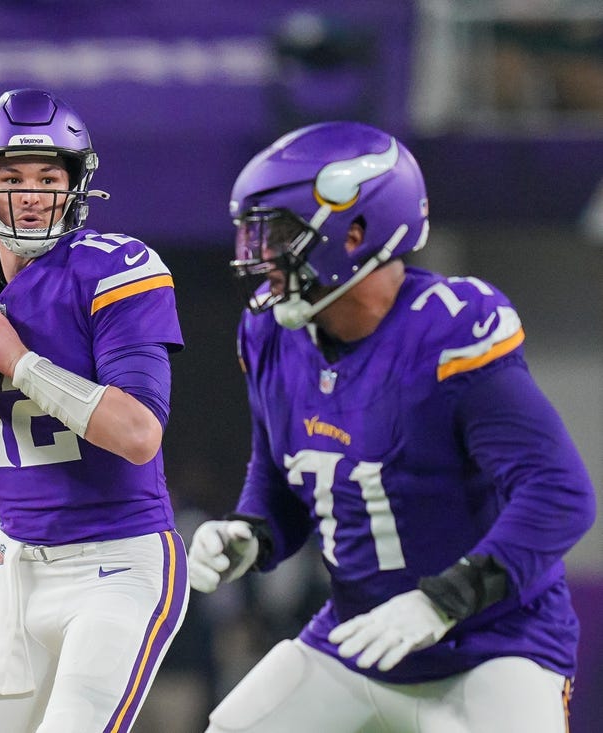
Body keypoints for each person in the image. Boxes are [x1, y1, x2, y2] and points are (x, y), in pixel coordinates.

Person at [187, 121, 597, 732]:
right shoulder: (272, 331)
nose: (260, 258)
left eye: (278, 235)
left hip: (491, 645)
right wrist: (255, 531)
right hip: (359, 635)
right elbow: (282, 470)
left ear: (355, 232)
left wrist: (446, 598)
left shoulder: (449, 332)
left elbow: (560, 494)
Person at [0, 88, 189, 732]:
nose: (31, 194)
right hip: (12, 563)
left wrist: (19, 361)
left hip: (118, 560)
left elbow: (140, 434)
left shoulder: (117, 268)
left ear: (75, 185)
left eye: (49, 177)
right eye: (12, 178)